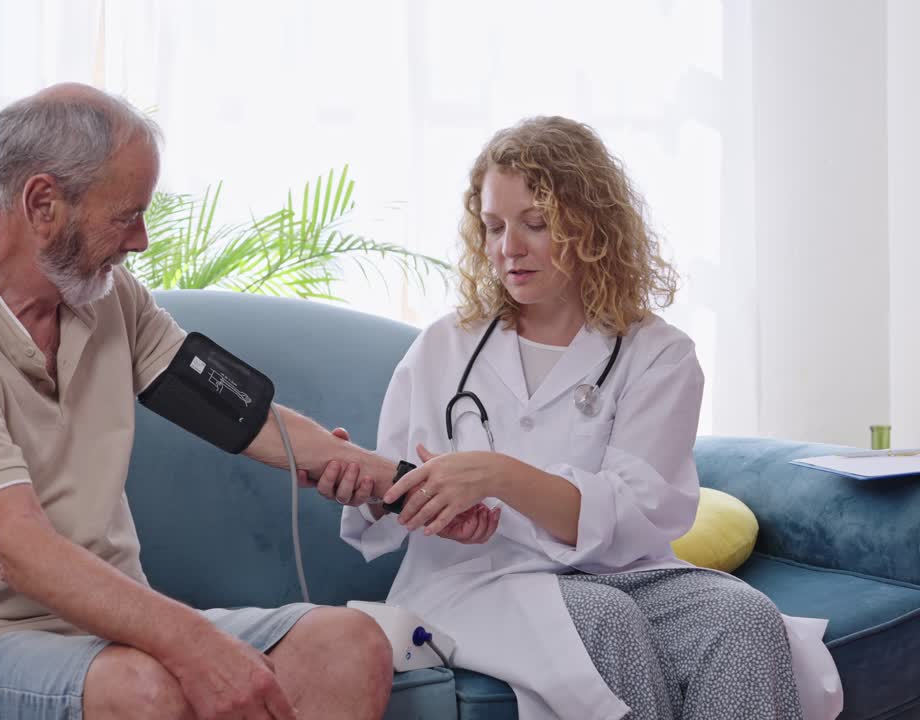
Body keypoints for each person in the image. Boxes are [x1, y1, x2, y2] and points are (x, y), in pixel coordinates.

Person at [0, 83, 398, 720]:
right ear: (42, 203)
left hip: (109, 635)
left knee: (350, 645)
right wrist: (195, 643)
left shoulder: (108, 297)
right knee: (146, 688)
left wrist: (397, 482)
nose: (141, 239)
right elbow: (19, 548)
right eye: (126, 215)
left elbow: (244, 417)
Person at [326, 117, 844, 719]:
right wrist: (369, 489)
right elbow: (397, 487)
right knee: (604, 625)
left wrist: (497, 475)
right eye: (493, 227)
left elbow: (639, 512)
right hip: (475, 582)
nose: (507, 248)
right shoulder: (446, 346)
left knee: (743, 620)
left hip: (623, 572)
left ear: (591, 227)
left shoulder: (658, 354)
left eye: (535, 224)